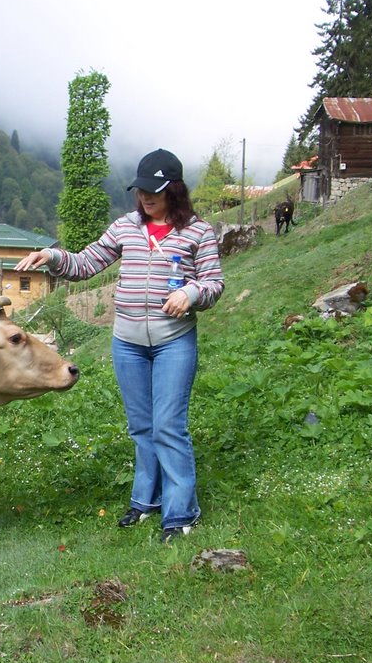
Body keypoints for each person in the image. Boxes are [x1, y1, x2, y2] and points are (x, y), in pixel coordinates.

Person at [15, 148, 224, 542]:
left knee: (169, 426)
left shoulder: (199, 232)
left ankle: (181, 513)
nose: (146, 198)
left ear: (174, 191)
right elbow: (85, 263)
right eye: (141, 191)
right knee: (142, 427)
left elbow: (214, 283)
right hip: (127, 343)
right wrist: (52, 256)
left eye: (155, 192)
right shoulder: (126, 227)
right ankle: (147, 500)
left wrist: (193, 294)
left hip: (173, 342)